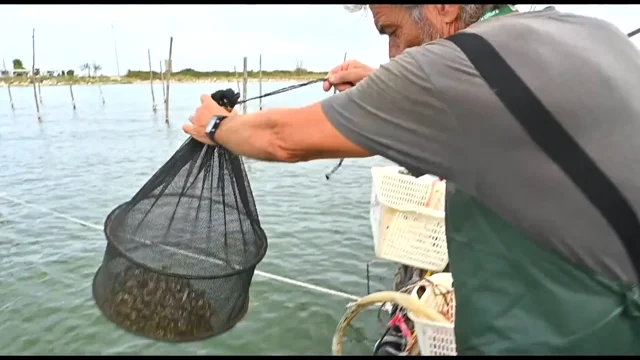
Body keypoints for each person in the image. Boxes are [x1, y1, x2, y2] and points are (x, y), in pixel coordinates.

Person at [185, 4, 640, 355]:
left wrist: (217, 125)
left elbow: (283, 138)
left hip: (569, 331)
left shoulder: (448, 68)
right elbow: (500, 114)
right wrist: (386, 86)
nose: (392, 53)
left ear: (443, 6)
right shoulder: (590, 32)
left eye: (392, 31)